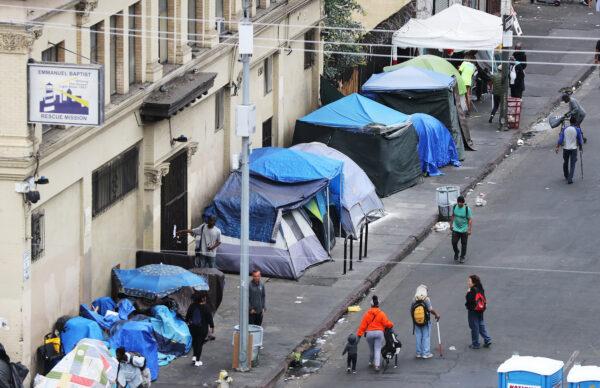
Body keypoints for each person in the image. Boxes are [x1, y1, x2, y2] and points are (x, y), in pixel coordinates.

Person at [356, 295, 393, 371]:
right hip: (379, 333)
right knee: (377, 349)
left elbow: (363, 326)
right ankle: (377, 365)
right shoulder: (381, 314)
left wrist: (359, 335)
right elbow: (386, 323)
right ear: (378, 305)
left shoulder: (367, 314)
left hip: (369, 334)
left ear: (371, 305)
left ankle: (370, 362)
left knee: (371, 349)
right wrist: (391, 324)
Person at [411, 285, 440, 359]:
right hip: (425, 321)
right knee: (426, 336)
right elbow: (430, 309)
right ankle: (426, 353)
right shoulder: (426, 299)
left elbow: (411, 310)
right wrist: (436, 314)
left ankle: (418, 353)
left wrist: (414, 320)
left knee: (418, 336)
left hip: (416, 321)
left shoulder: (414, 299)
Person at [185, 293, 214, 367]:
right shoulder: (206, 307)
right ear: (203, 299)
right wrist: (212, 327)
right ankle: (197, 360)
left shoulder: (192, 306)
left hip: (193, 328)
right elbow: (209, 319)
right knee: (200, 344)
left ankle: (194, 357)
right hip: (202, 328)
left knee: (195, 342)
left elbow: (187, 317)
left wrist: (188, 323)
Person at [465, 275, 492, 349]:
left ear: (473, 282)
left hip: (473, 310)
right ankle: (487, 339)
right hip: (480, 309)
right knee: (481, 324)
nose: (468, 282)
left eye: (469, 281)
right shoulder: (480, 288)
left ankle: (475, 343)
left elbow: (469, 300)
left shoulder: (472, 290)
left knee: (474, 326)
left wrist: (468, 293)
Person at [555, 115, 584, 184]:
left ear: (570, 122)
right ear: (575, 122)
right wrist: (580, 147)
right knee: (572, 164)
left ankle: (566, 175)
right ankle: (570, 178)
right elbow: (580, 140)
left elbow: (560, 139)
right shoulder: (577, 129)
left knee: (565, 162)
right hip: (573, 149)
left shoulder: (565, 129)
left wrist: (557, 147)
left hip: (565, 149)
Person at [450, 196, 472, 264]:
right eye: (459, 203)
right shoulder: (454, 207)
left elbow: (470, 220)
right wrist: (451, 225)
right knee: (454, 242)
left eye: (461, 203)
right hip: (456, 228)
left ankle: (462, 256)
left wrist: (469, 229)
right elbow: (453, 216)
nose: (460, 204)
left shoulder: (467, 209)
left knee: (464, 244)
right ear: (457, 202)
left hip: (464, 230)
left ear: (463, 202)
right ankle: (456, 252)